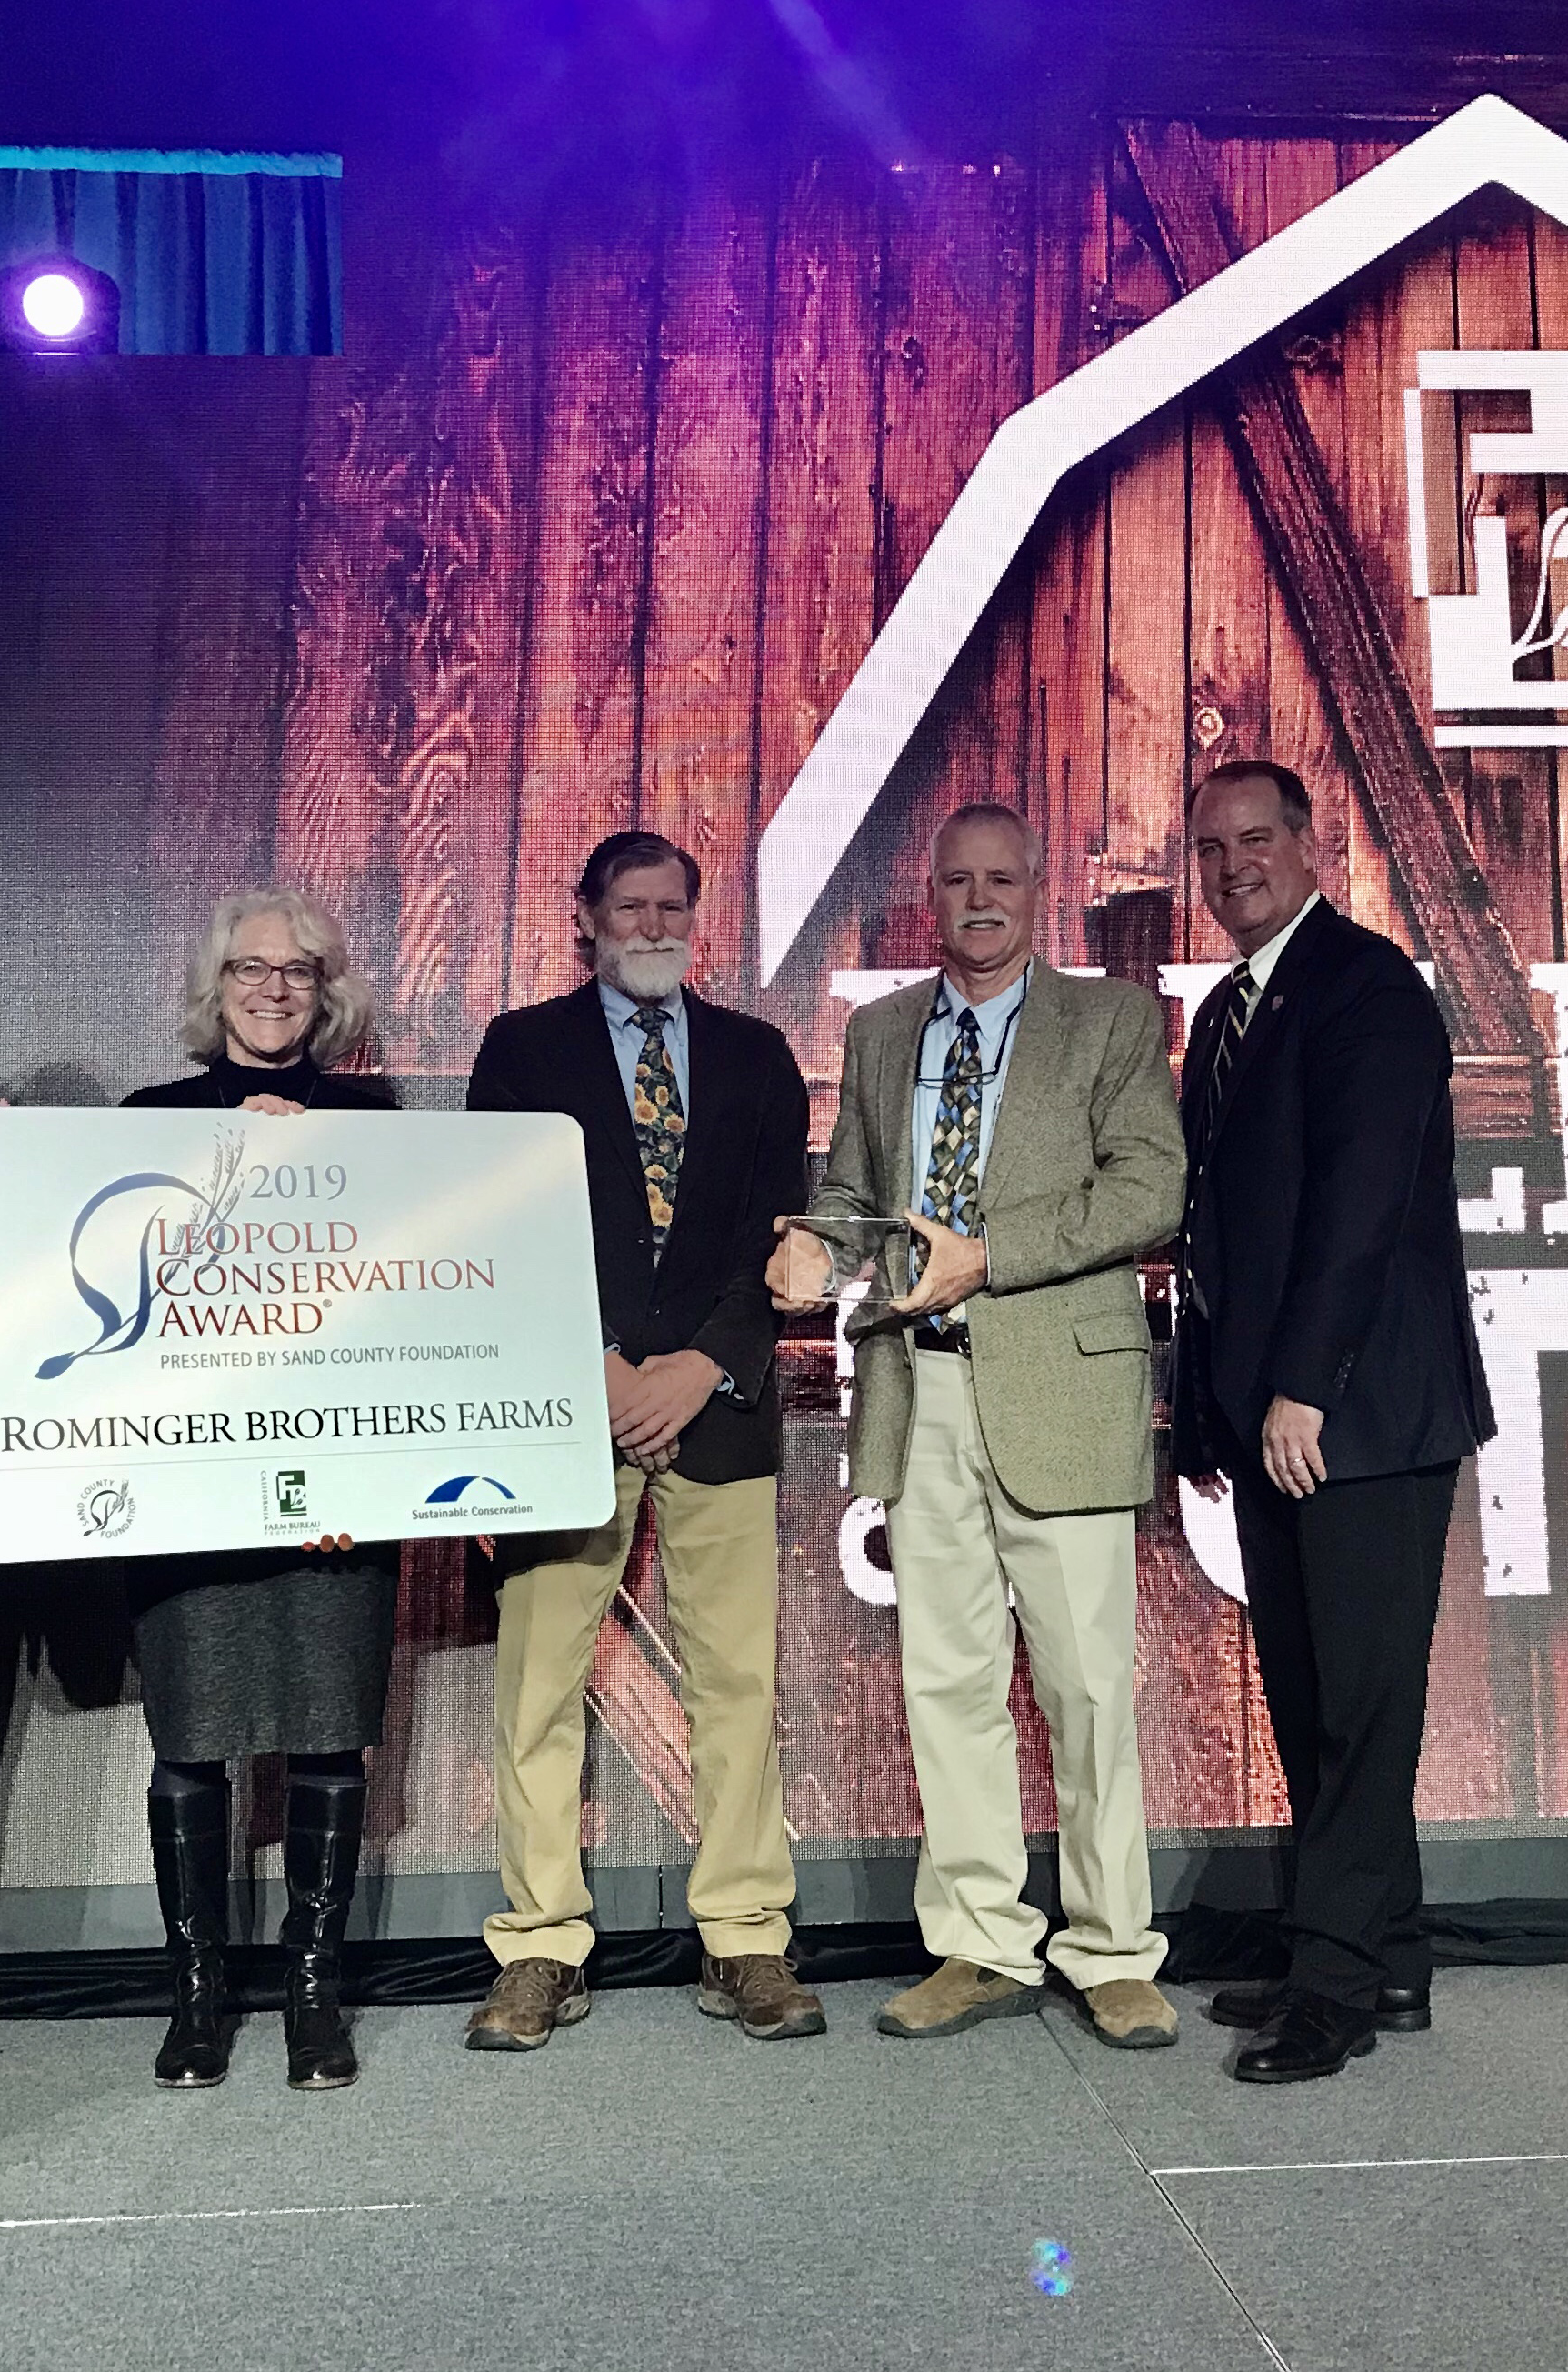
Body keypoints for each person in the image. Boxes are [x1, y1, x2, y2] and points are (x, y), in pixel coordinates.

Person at [767, 801, 1184, 2049]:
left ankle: (1112, 1949)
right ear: (932, 896)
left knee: (1085, 1686)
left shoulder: (1106, 1022)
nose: (978, 898)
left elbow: (1149, 1185)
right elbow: (851, 1190)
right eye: (957, 880)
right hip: (920, 1385)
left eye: (1001, 878)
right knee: (946, 1678)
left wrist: (988, 1261)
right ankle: (980, 1941)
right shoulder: (885, 1030)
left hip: (1058, 1384)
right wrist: (811, 1238)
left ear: (1035, 887)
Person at [462, 830, 818, 2051]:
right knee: (537, 1687)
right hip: (569, 1408)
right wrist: (603, 1362)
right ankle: (539, 1945)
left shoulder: (757, 1056)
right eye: (629, 904)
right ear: (587, 914)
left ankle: (744, 1937)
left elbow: (784, 1233)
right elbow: (498, 1218)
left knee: (738, 1683)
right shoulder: (522, 1049)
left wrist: (700, 1361)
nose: (652, 922)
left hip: (716, 1404)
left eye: (672, 904)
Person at [1169, 759, 1493, 2084]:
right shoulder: (1237, 1007)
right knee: (1313, 1699)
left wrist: (1304, 1381)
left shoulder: (1367, 987)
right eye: (1210, 846)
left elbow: (1360, 1207)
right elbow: (1222, 1231)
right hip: (1274, 1421)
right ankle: (1387, 1953)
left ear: (1309, 842)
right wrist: (1211, 1407)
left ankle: (1333, 1985)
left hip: (1359, 1413)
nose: (1232, 862)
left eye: (1256, 837)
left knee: (1359, 1706)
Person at [117, 888, 398, 2092]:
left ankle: (311, 1992)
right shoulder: (141, 1121)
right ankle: (196, 1998)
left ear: (326, 989)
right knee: (192, 1740)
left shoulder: (378, 1125)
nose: (274, 985)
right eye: (250, 966)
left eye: (299, 968)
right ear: (213, 983)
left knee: (329, 1730)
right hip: (190, 1489)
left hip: (339, 1481)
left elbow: (413, 1311)